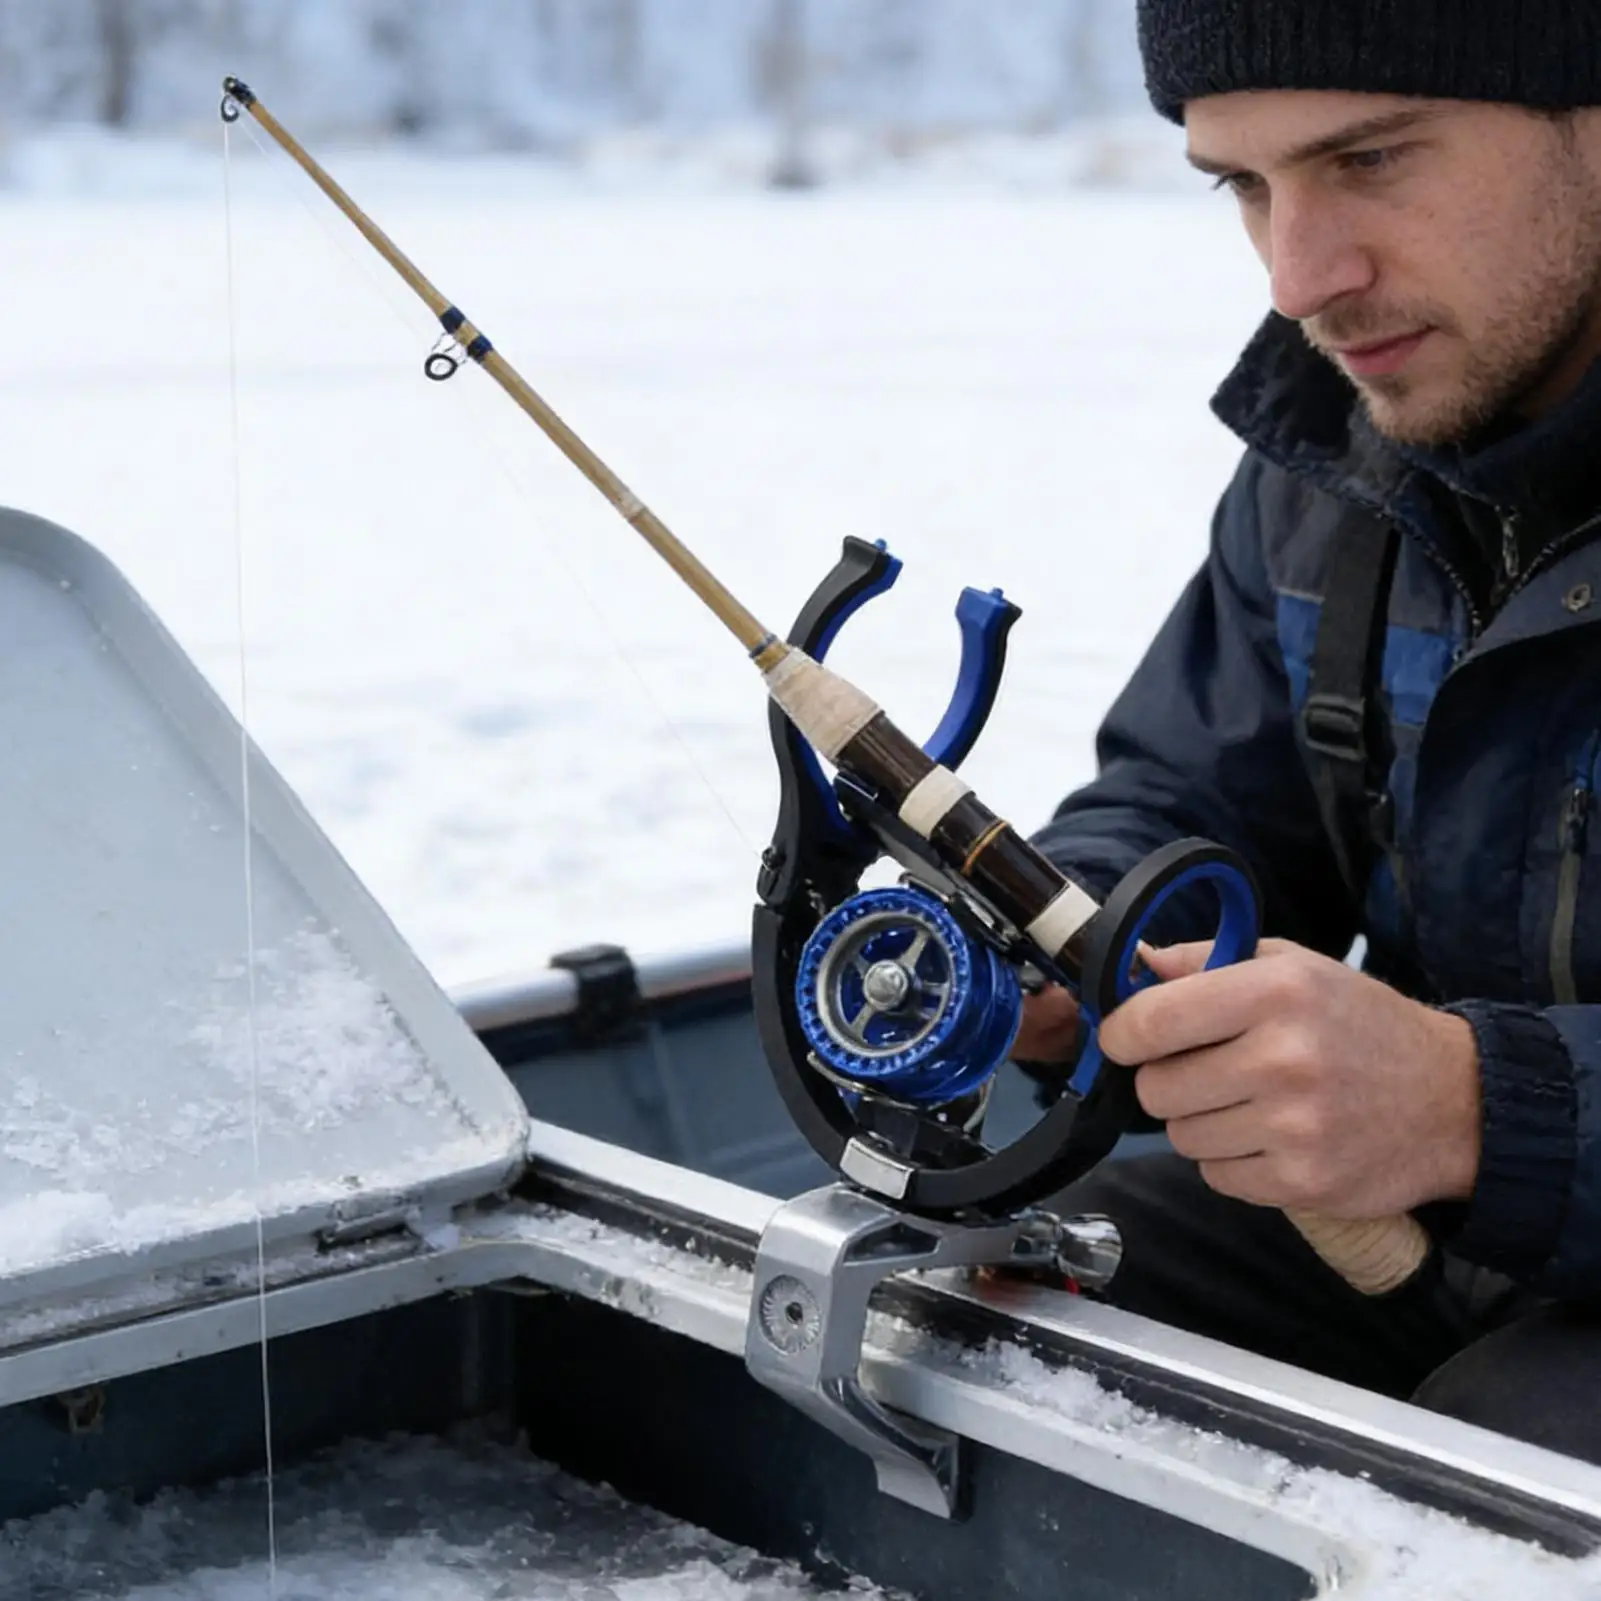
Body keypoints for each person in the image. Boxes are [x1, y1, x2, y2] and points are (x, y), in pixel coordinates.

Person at [1016, 0, 1601, 1461]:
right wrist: (1064, 931)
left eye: (1373, 158)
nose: (1298, 278)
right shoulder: (1338, 461)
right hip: (1432, 1238)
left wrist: (1480, 1109)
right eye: (1244, 187)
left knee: (1497, 1494)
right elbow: (1194, 791)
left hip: (1491, 1198)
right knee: (985, 1309)